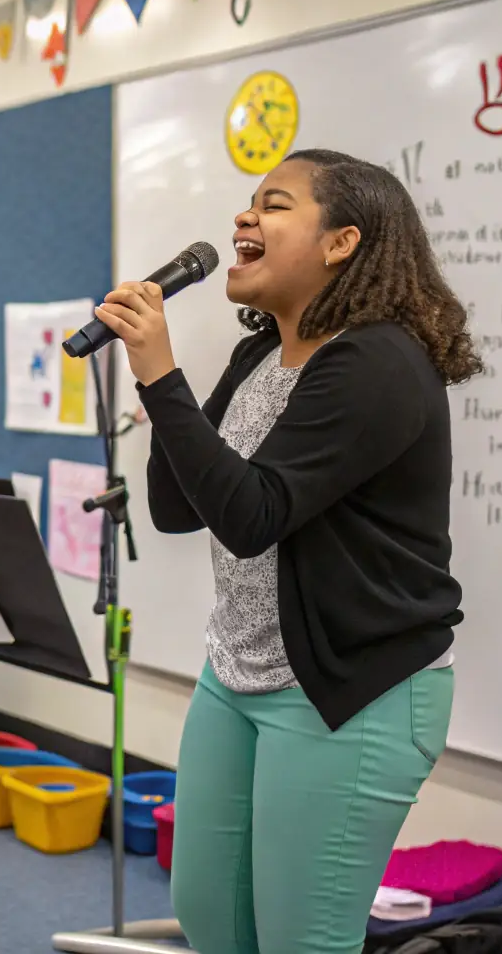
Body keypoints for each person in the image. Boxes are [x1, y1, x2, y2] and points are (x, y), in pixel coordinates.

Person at [93, 149, 480, 954]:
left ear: (340, 242)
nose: (242, 219)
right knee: (211, 920)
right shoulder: (256, 354)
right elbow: (176, 508)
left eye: (272, 205)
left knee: (300, 941)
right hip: (235, 674)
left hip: (348, 689)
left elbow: (251, 516)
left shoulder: (377, 360)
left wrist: (161, 374)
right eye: (247, 204)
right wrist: (158, 387)